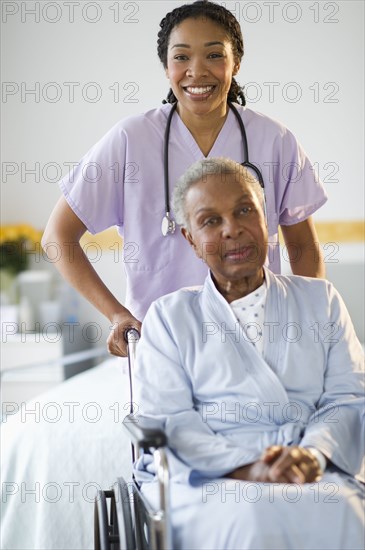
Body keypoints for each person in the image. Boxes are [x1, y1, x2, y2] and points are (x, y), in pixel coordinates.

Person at [42, 0, 327, 357]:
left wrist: (308, 326)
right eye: (181, 57)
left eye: (213, 55)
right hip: (162, 346)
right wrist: (116, 314)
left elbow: (304, 248)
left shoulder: (274, 140)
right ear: (166, 67)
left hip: (258, 343)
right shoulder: (131, 140)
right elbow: (58, 236)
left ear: (235, 62)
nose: (197, 71)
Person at [134, 157, 364, 550]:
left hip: (306, 468)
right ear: (190, 238)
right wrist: (247, 466)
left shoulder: (320, 299)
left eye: (244, 211)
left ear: (266, 221)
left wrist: (312, 454)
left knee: (341, 507)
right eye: (210, 221)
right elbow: (171, 419)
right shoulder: (169, 317)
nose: (232, 229)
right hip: (209, 477)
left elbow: (347, 398)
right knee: (252, 515)